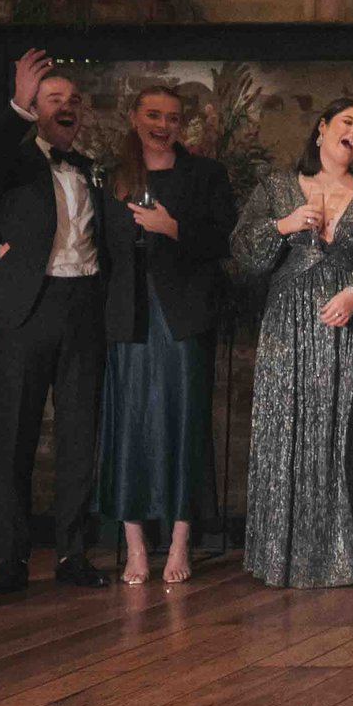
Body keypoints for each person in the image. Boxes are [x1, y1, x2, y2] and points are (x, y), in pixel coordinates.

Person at [232, 98, 353, 588]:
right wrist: (283, 225)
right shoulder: (276, 187)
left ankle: (344, 556)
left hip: (351, 327)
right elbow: (243, 250)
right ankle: (282, 555)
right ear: (322, 129)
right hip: (289, 325)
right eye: (348, 123)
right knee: (288, 429)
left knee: (343, 433)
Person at [0, 49, 110, 595]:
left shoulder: (94, 169)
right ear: (36, 108)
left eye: (73, 99)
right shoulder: (15, 161)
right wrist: (18, 104)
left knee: (79, 437)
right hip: (27, 307)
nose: (66, 106)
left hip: (85, 307)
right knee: (16, 436)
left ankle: (73, 553)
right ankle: (12, 558)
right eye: (54, 98)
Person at [98, 84, 237, 587]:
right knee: (128, 427)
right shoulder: (111, 177)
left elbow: (226, 239)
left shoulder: (206, 174)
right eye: (154, 115)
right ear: (134, 117)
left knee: (184, 424)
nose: (163, 125)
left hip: (184, 314)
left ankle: (180, 541)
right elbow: (94, 245)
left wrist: (171, 227)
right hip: (127, 315)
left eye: (173, 117)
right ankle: (135, 545)